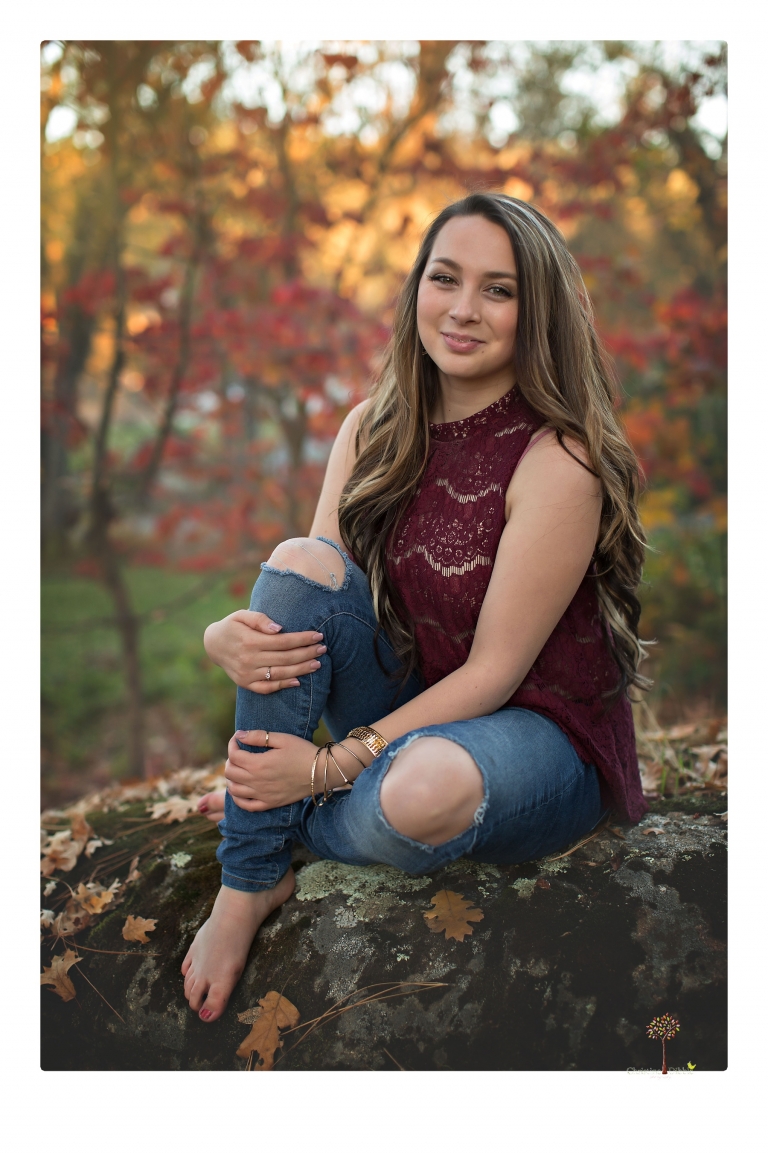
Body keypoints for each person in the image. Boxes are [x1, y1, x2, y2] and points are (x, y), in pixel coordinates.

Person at [181, 192, 650, 1023]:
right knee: (296, 560)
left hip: (534, 729)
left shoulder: (558, 459)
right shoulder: (371, 426)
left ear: (534, 310)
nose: (464, 310)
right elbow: (317, 589)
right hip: (403, 700)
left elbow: (495, 673)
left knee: (424, 788)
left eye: (498, 290)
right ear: (417, 291)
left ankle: (300, 819)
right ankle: (248, 877)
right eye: (446, 278)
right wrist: (224, 635)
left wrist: (327, 767)